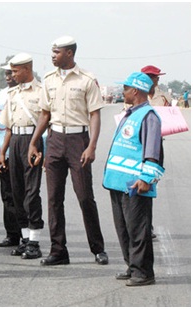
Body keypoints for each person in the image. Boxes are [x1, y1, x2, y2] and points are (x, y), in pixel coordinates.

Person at [28, 36, 109, 266]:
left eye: (56, 52)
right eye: (52, 52)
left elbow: (94, 114)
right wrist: (35, 142)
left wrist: (91, 145)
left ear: (69, 53)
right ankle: (58, 250)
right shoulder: (48, 79)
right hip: (54, 139)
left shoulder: (86, 79)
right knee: (54, 198)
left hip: (78, 140)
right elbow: (44, 114)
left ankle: (98, 248)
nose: (53, 56)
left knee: (84, 197)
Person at [103, 72, 164, 287]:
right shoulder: (130, 113)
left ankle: (144, 272)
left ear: (136, 91)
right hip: (118, 183)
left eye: (126, 88)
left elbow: (152, 151)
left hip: (136, 184)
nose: (123, 91)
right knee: (124, 229)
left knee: (138, 230)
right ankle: (132, 265)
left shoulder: (149, 116)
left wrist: (146, 178)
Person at [0, 53, 44, 259]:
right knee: (17, 193)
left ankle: (35, 241)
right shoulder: (12, 93)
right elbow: (8, 127)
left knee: (31, 193)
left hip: (32, 142)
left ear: (27, 69)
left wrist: (45, 151)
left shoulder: (42, 91)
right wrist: (2, 152)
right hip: (15, 141)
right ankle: (25, 239)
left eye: (15, 70)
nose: (13, 75)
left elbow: (47, 123)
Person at [0, 65, 23, 248]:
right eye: (6, 73)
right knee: (7, 193)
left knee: (23, 193)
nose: (8, 77)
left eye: (11, 73)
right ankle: (12, 234)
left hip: (23, 145)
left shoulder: (31, 92)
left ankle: (27, 235)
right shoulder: (2, 94)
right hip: (4, 147)